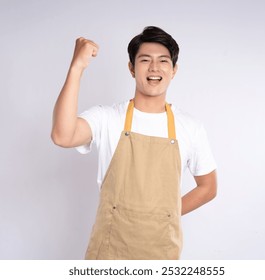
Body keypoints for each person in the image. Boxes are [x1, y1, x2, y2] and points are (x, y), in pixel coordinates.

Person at [51, 26, 217, 260]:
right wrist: (77, 68)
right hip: (109, 252)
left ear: (174, 70)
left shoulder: (190, 127)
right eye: (145, 60)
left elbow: (208, 187)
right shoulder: (108, 117)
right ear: (131, 68)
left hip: (162, 254)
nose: (154, 68)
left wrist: (166, 213)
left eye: (163, 61)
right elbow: (62, 135)